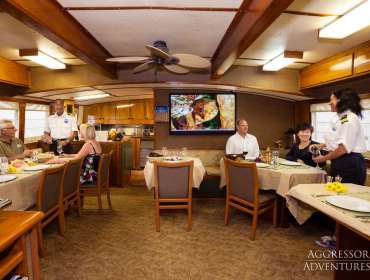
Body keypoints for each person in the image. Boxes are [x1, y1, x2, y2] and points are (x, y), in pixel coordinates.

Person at [313, 88, 367, 185]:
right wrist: (323, 145)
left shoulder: (349, 119)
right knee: (336, 194)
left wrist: (323, 158)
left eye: (331, 100)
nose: (329, 103)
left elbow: (343, 149)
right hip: (340, 161)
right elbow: (339, 138)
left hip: (349, 163)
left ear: (341, 100)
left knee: (345, 196)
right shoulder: (341, 117)